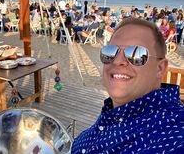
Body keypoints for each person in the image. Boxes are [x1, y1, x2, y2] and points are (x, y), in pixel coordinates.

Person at [71, 18, 184, 154]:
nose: (118, 61)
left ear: (160, 68)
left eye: (136, 54)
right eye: (111, 52)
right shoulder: (113, 114)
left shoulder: (173, 134)